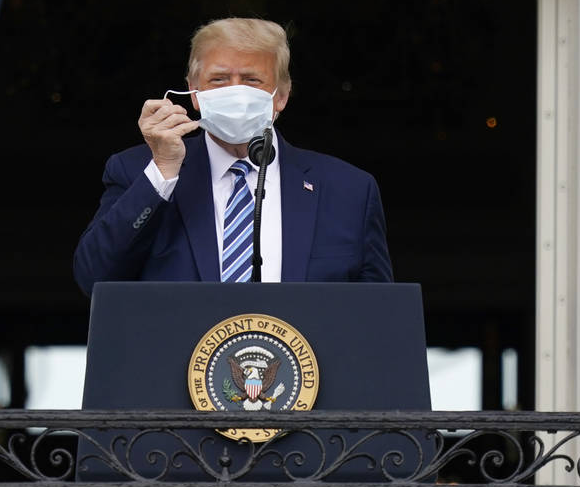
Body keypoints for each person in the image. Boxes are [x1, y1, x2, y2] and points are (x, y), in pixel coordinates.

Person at [73, 18, 393, 295]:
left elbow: (379, 314)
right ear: (194, 93)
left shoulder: (348, 190)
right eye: (219, 79)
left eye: (252, 80)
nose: (235, 90)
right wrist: (163, 172)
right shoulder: (137, 171)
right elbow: (94, 278)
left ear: (281, 95)